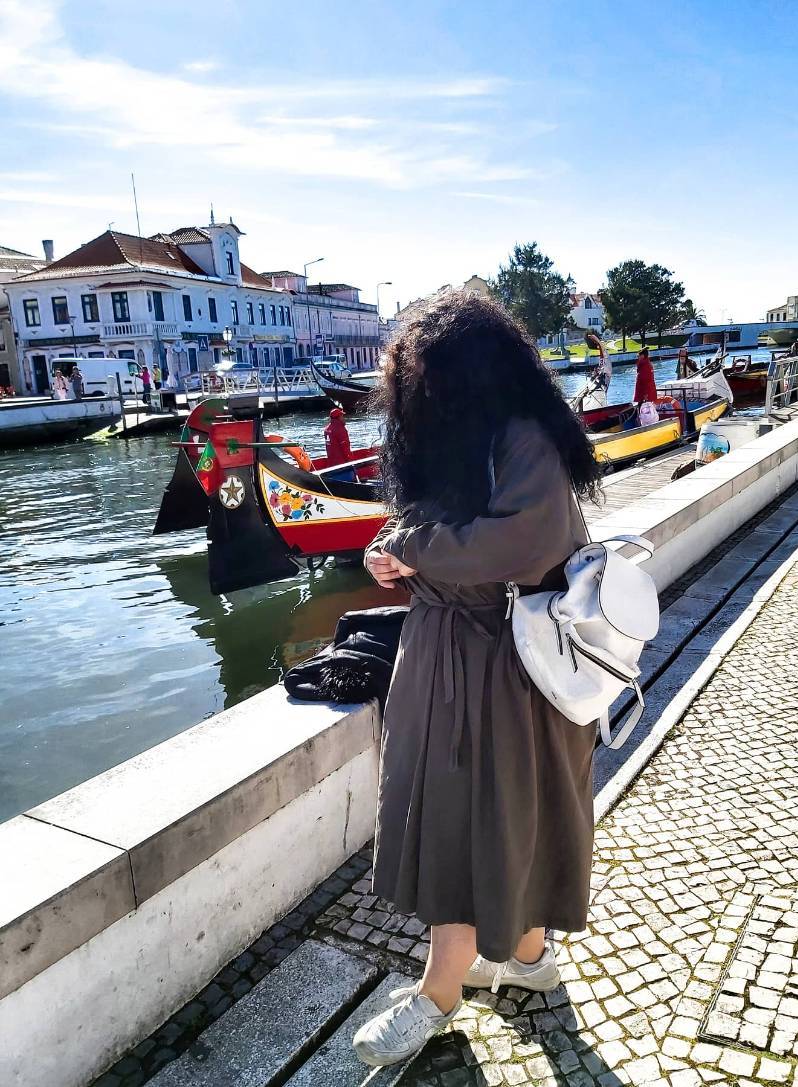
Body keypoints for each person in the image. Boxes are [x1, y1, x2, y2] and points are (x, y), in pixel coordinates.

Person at [353, 290, 602, 1068]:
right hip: (447, 654)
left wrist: (414, 546)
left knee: (466, 819)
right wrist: (389, 552)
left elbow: (516, 546)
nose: (414, 394)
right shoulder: (457, 444)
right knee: (500, 816)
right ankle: (527, 957)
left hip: (504, 669)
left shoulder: (522, 438)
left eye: (424, 377)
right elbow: (430, 534)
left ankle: (439, 992)